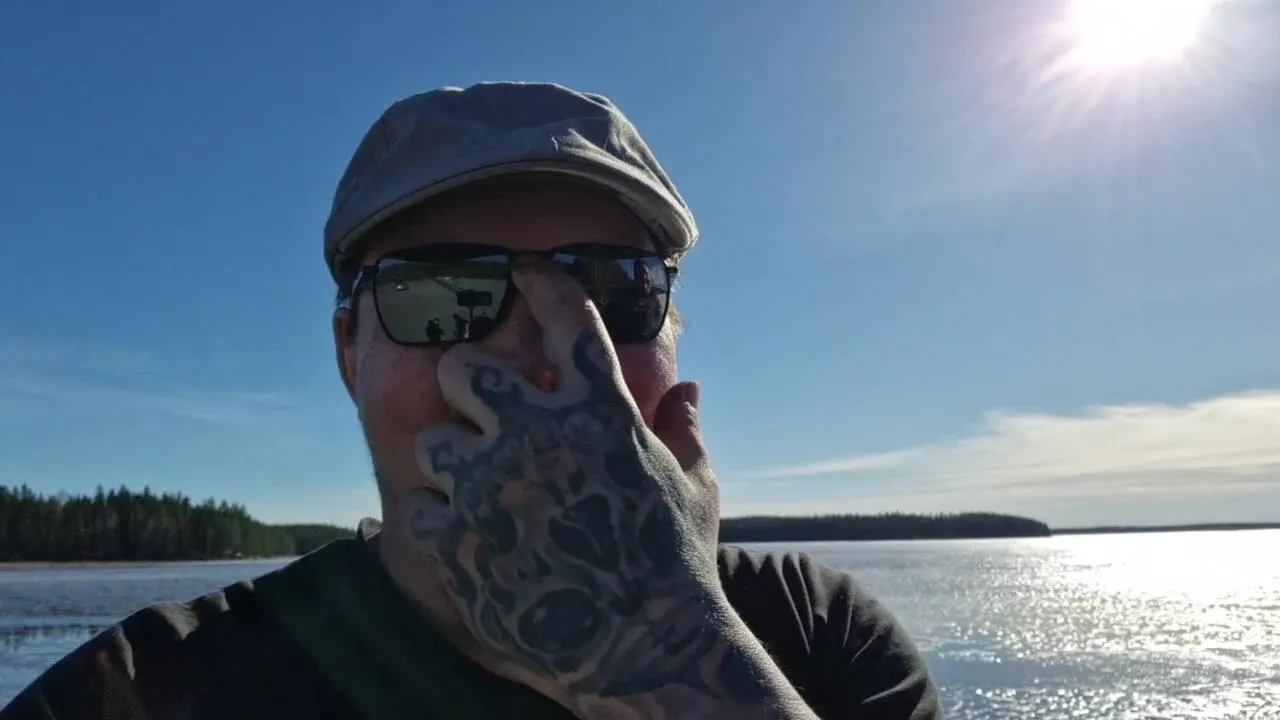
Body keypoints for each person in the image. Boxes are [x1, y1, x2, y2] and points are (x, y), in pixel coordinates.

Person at [1, 82, 941, 720]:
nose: (534, 351)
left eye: (611, 290)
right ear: (348, 353)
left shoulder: (818, 637)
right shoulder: (136, 694)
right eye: (441, 296)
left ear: (674, 334)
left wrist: (665, 643)